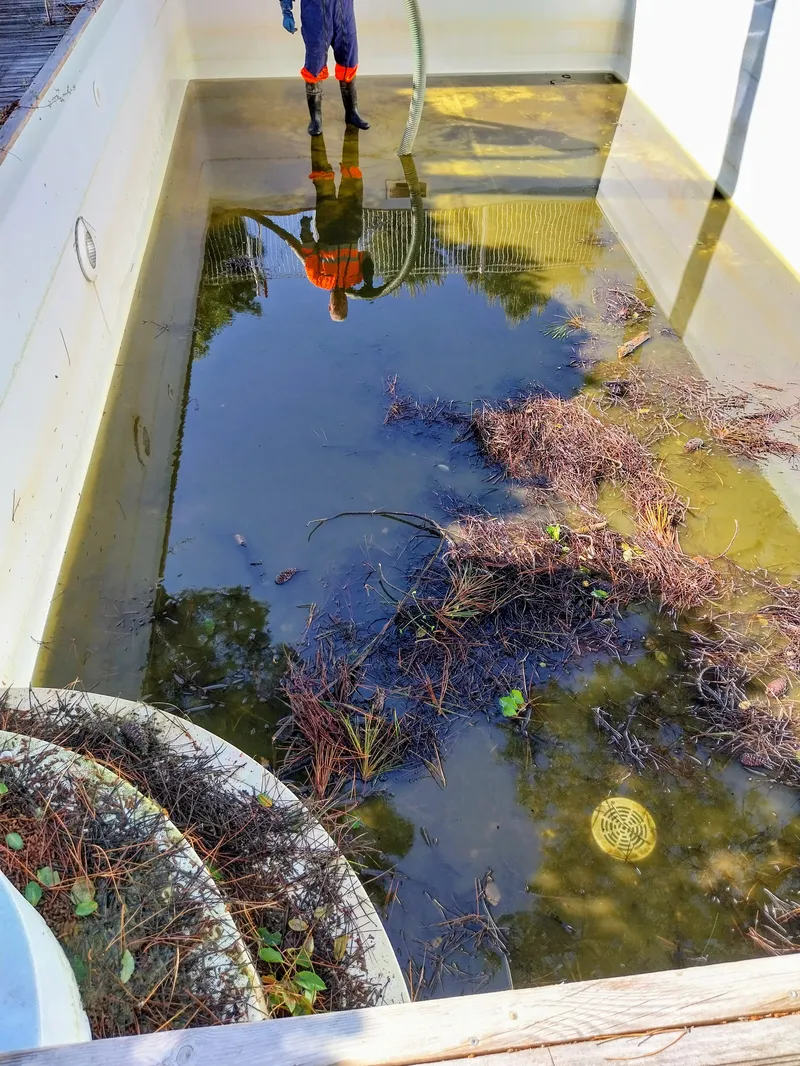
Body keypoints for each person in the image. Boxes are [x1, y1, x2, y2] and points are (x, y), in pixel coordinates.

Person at [253, 128, 374, 322]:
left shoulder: (318, 279)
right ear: (348, 303)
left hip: (328, 228)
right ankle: (352, 126)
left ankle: (316, 131)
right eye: (344, 306)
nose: (341, 303)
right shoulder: (356, 279)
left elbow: (309, 252)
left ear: (329, 306)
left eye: (336, 307)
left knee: (323, 179)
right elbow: (366, 255)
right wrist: (369, 280)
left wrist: (305, 230)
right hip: (352, 227)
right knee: (352, 175)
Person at [279, 0, 369, 135]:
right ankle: (316, 119)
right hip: (316, 14)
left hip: (344, 12)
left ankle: (352, 113)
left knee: (348, 60)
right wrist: (287, 11)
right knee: (314, 65)